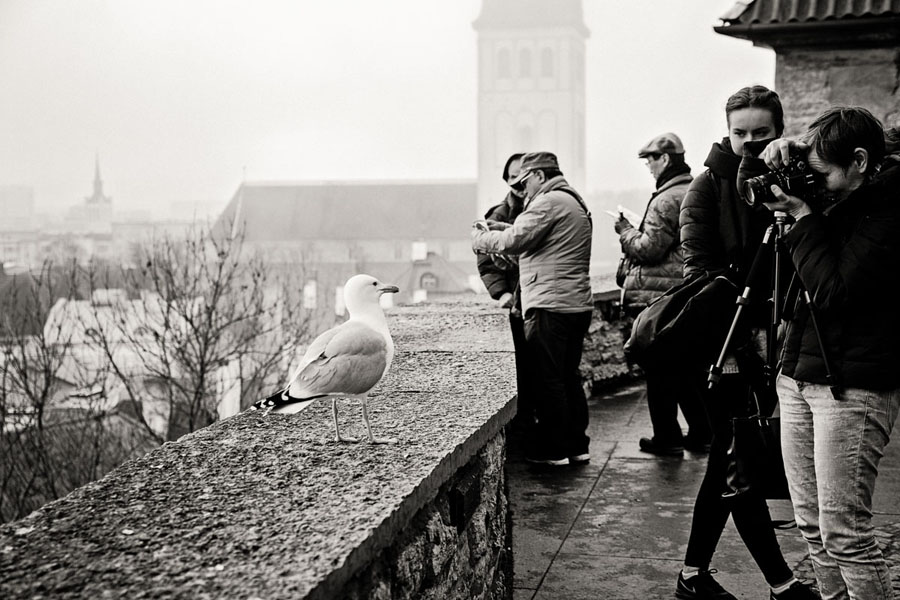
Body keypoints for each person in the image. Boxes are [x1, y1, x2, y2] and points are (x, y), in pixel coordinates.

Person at [676, 86, 818, 599]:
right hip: (724, 344)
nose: (750, 143)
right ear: (727, 131)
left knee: (729, 462)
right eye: (740, 133)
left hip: (779, 343)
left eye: (762, 133)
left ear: (780, 130)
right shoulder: (707, 187)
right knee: (738, 462)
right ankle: (781, 583)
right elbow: (699, 274)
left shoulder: (793, 181)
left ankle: (692, 577)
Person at [761, 107, 900, 599]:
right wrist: (771, 159)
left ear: (860, 161)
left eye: (820, 173)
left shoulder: (888, 210)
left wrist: (801, 218)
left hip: (852, 388)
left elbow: (833, 292)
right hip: (799, 375)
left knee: (845, 533)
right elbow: (748, 189)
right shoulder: (836, 199)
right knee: (811, 527)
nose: (813, 183)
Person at [471, 151, 593, 466]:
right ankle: (577, 445)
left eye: (526, 181)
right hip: (574, 302)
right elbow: (537, 250)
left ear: (539, 174)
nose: (524, 189)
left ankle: (553, 450)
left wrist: (482, 238)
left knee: (548, 380)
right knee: (567, 376)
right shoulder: (572, 200)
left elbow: (514, 238)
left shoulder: (549, 201)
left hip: (550, 305)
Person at [616, 132, 711, 456]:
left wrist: (625, 231)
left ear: (666, 159)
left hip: (662, 295)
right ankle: (702, 431)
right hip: (688, 292)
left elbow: (649, 249)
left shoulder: (666, 198)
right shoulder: (697, 188)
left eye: (651, 160)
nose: (649, 167)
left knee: (658, 369)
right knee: (686, 369)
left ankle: (667, 437)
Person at [476, 152, 537, 432]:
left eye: (524, 174)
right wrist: (501, 293)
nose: (519, 180)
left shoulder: (542, 206)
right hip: (515, 305)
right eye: (513, 175)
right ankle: (524, 428)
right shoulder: (498, 214)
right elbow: (486, 260)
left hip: (539, 300)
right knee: (523, 372)